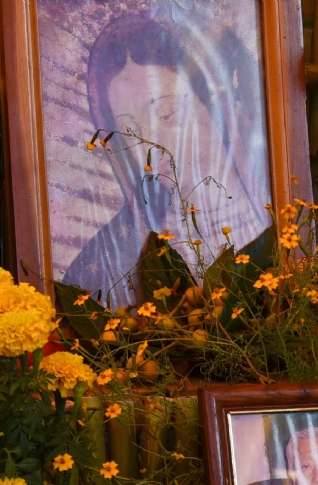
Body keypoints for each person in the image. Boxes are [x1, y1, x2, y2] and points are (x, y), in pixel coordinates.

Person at [62, 10, 272, 302]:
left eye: (166, 112)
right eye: (130, 130)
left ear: (215, 104)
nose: (149, 145)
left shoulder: (281, 207)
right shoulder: (107, 260)